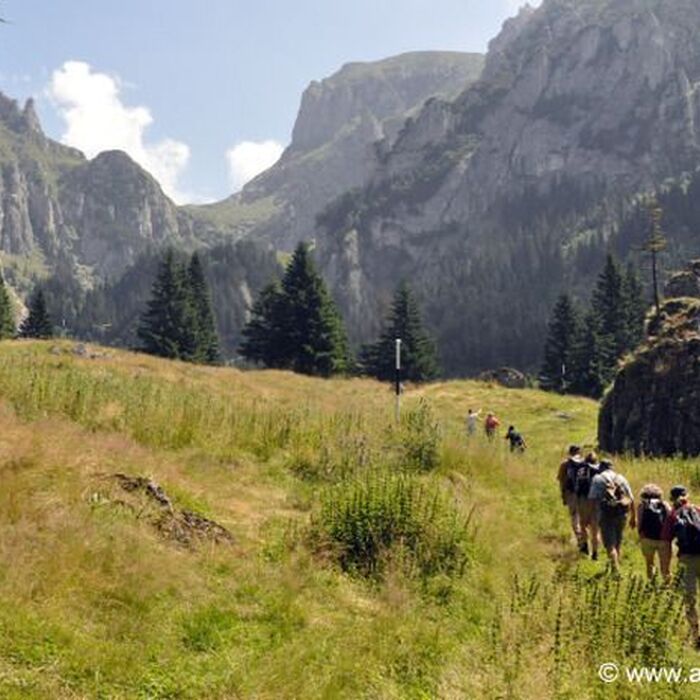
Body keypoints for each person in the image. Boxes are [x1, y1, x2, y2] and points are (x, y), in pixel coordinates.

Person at [661, 485, 700, 647]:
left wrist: (666, 568)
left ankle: (696, 635)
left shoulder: (672, 516)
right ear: (687, 496)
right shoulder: (698, 509)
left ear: (672, 499)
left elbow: (666, 544)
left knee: (689, 598)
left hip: (686, 559)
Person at [588, 460, 636, 574]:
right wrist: (634, 517)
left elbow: (591, 499)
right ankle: (615, 564)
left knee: (610, 544)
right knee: (617, 542)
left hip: (605, 514)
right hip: (622, 514)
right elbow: (631, 498)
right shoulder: (621, 478)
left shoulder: (597, 479)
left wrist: (590, 516)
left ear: (601, 468)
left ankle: (615, 570)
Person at [637, 483, 671, 582]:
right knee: (665, 567)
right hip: (663, 539)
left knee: (649, 563)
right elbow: (670, 519)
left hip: (647, 538)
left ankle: (651, 583)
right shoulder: (665, 504)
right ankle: (667, 586)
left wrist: (641, 536)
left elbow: (639, 523)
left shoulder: (642, 505)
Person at [557, 445, 587, 553]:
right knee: (586, 518)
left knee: (575, 517)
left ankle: (581, 540)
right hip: (586, 495)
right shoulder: (587, 463)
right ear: (580, 452)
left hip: (572, 494)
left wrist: (563, 495)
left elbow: (561, 481)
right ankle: (588, 538)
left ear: (570, 453)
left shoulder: (565, 464)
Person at [575, 452, 600, 559]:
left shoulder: (580, 471)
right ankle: (595, 552)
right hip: (595, 501)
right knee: (595, 529)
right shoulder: (598, 471)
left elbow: (577, 487)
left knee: (583, 525)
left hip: (583, 500)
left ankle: (585, 546)